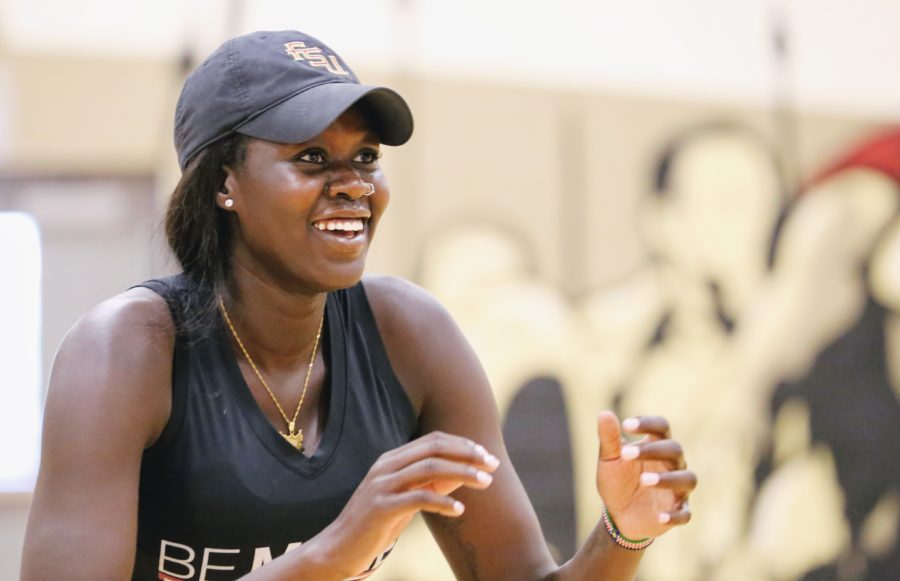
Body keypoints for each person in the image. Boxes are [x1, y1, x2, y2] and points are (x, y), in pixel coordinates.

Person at [20, 30, 696, 580]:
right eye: (313, 157)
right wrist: (329, 554)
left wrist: (622, 532)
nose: (353, 186)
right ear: (225, 181)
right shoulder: (125, 351)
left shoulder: (410, 334)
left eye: (366, 156)